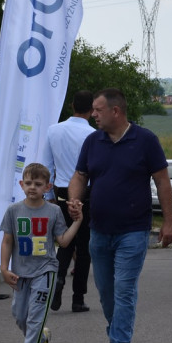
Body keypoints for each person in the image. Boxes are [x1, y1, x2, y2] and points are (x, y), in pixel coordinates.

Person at [68, 88, 172, 343]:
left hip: (133, 229)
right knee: (106, 292)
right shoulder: (92, 141)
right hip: (99, 230)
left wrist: (169, 222)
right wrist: (74, 200)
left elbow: (163, 181)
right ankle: (118, 341)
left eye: (97, 110)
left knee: (124, 289)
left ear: (115, 111)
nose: (93, 114)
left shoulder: (145, 140)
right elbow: (79, 175)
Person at [0, 163, 82, 343]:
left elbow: (63, 242)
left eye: (38, 184)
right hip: (20, 272)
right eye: (28, 183)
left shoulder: (53, 211)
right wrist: (4, 268)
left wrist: (78, 222)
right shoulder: (13, 210)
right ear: (21, 184)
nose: (32, 187)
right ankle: (41, 339)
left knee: (35, 315)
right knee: (19, 315)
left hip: (45, 270)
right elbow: (7, 241)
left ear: (48, 187)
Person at [40, 89, 96, 313]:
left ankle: (58, 281)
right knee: (84, 247)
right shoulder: (93, 135)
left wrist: (48, 195)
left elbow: (46, 164)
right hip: (87, 193)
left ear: (72, 105)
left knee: (64, 242)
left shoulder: (54, 130)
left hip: (62, 191)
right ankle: (78, 297)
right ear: (92, 110)